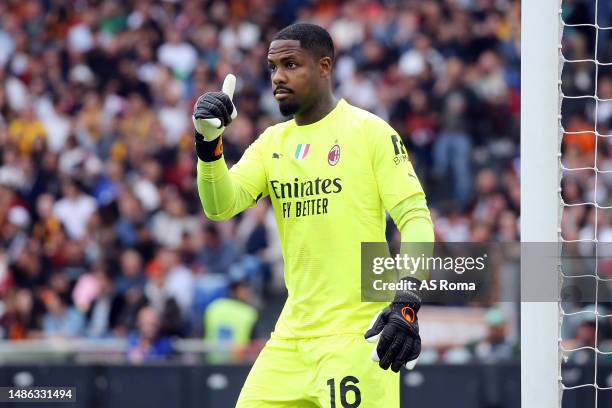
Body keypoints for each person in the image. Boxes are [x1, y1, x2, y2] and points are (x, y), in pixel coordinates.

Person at [193, 23, 434, 407]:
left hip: (358, 335)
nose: (278, 77)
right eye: (273, 67)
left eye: (291, 64)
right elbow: (220, 206)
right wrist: (208, 144)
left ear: (324, 67)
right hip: (290, 338)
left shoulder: (368, 131)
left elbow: (415, 217)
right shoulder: (272, 142)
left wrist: (407, 299)